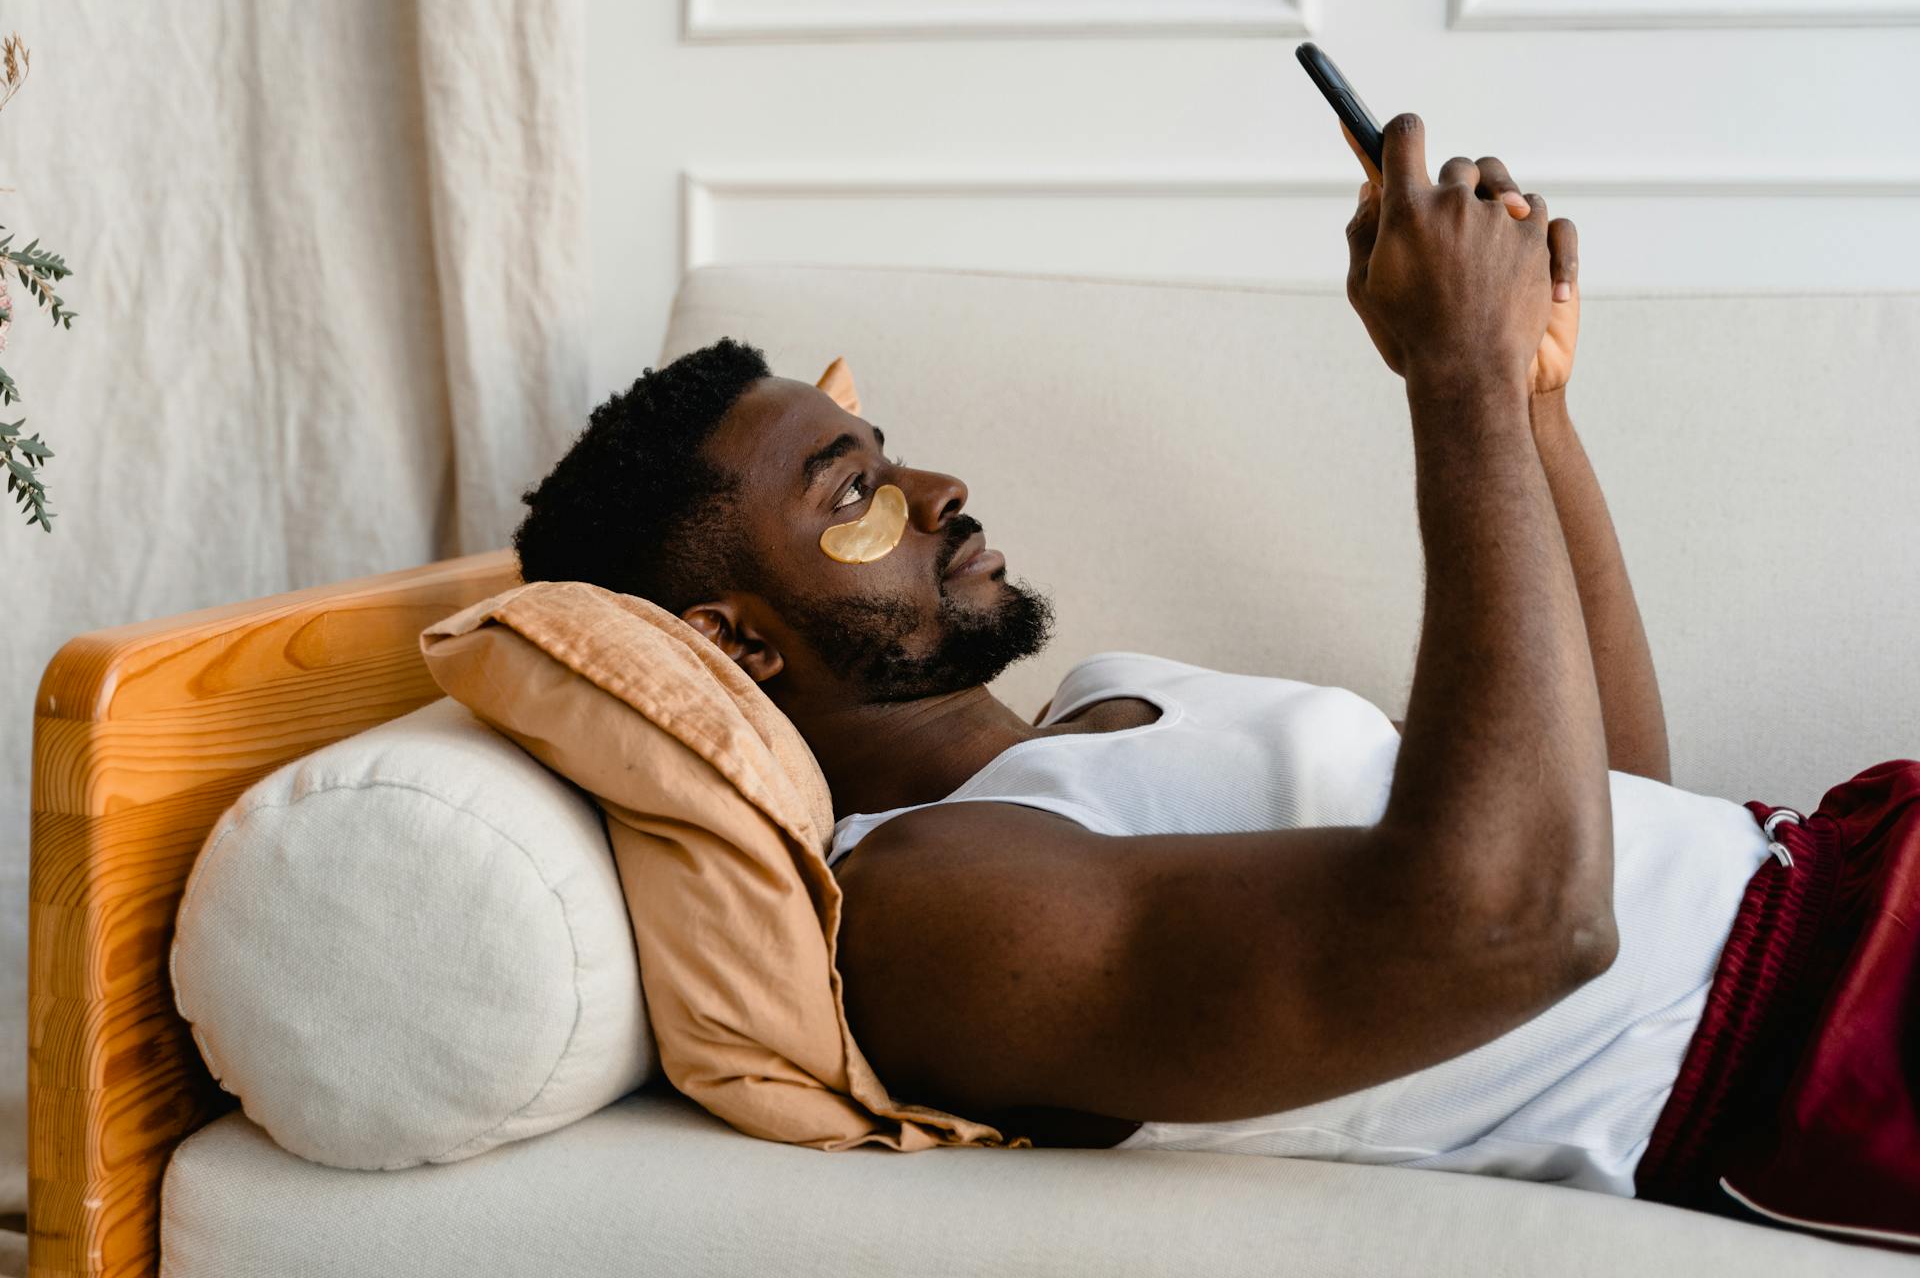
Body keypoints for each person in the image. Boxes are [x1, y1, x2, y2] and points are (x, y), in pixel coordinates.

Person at [512, 113, 1918, 1250]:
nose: (938, 491)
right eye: (856, 496)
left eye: (893, 449)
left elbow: (1601, 812)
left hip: (1856, 857)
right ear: (737, 641)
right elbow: (1525, 921)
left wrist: (1535, 400)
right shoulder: (915, 905)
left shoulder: (1104, 699)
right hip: (1833, 1048)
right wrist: (1456, 387)